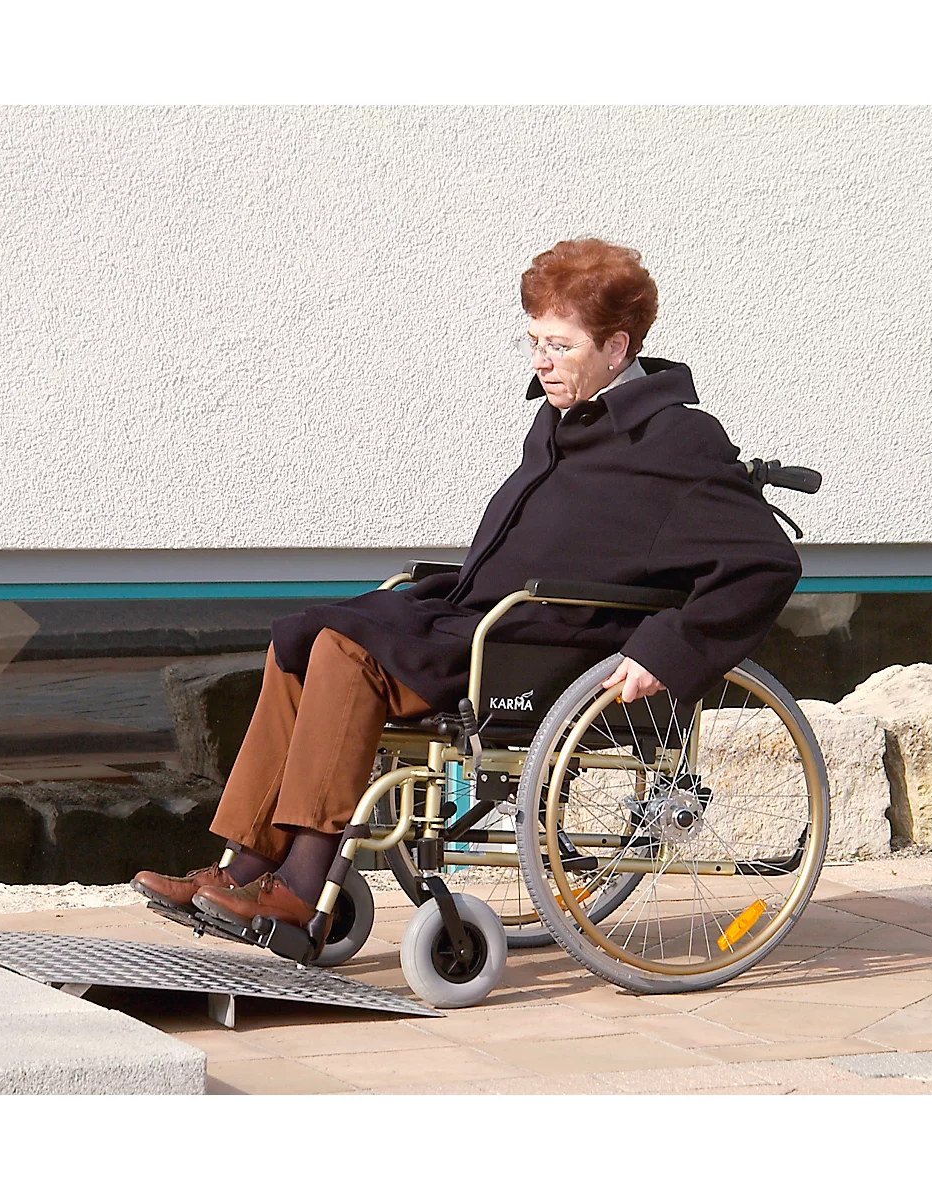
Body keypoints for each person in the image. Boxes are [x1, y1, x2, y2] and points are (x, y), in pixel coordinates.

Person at [131, 237, 802, 933]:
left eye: (560, 345)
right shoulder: (564, 417)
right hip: (482, 618)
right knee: (300, 640)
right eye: (534, 342)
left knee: (344, 651)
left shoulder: (675, 439)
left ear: (616, 346)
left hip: (547, 643)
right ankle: (244, 866)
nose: (541, 361)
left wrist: (668, 650)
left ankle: (302, 883)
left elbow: (766, 564)